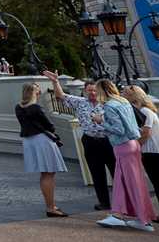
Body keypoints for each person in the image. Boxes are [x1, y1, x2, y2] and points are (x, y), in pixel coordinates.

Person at [42, 70, 114, 211]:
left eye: (94, 90)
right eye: (89, 91)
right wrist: (55, 82)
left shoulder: (108, 103)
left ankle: (120, 201)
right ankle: (104, 202)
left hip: (108, 140)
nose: (92, 93)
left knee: (116, 171)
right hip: (90, 140)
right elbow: (60, 96)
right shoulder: (80, 102)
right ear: (85, 91)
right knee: (97, 173)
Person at [92, 79, 156, 232]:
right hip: (132, 144)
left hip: (123, 146)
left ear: (101, 91)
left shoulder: (109, 106)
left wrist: (100, 120)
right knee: (124, 182)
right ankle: (118, 215)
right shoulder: (123, 102)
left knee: (132, 183)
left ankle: (142, 220)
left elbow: (119, 129)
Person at [123, 85, 159, 225]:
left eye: (126, 94)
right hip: (152, 151)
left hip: (154, 151)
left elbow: (146, 133)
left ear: (133, 97)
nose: (123, 95)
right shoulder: (143, 111)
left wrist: (135, 146)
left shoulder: (145, 111)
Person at [15, 81, 68, 218]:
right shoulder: (36, 108)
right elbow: (50, 126)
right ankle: (51, 207)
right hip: (42, 141)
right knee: (49, 173)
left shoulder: (18, 107)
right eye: (38, 91)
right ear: (34, 93)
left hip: (29, 141)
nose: (39, 93)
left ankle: (50, 205)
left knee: (44, 174)